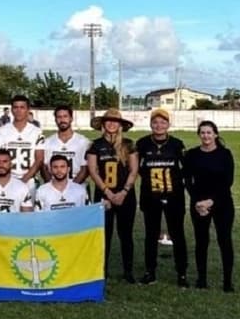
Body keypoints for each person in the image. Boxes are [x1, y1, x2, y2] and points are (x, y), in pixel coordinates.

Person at [136, 109, 188, 287]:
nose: (159, 125)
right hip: (151, 196)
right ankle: (150, 272)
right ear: (151, 124)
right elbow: (137, 168)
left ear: (168, 124)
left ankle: (182, 274)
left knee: (177, 234)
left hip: (174, 196)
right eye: (156, 122)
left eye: (163, 122)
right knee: (151, 235)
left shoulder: (176, 144)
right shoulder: (142, 143)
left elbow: (186, 169)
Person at [87, 109, 138, 284]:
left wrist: (123, 192)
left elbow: (134, 171)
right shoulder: (95, 145)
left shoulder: (128, 144)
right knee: (104, 235)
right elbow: (93, 171)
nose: (111, 124)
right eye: (108, 121)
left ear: (120, 125)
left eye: (115, 121)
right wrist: (108, 192)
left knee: (126, 234)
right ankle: (102, 270)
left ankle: (128, 271)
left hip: (125, 196)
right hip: (104, 196)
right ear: (103, 124)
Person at [184, 120, 235, 292]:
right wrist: (198, 201)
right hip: (198, 204)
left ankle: (227, 281)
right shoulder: (192, 154)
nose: (206, 136)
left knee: (224, 240)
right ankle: (201, 279)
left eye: (209, 132)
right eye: (203, 132)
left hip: (222, 203)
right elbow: (187, 180)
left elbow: (228, 181)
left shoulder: (225, 154)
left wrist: (211, 201)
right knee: (201, 241)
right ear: (199, 135)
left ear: (215, 134)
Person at [0, 95, 44, 198]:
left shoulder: (36, 132)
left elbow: (39, 159)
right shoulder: (2, 131)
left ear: (28, 110)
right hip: (7, 180)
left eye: (22, 107)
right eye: (16, 107)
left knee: (28, 213)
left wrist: (24, 179)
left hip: (29, 181)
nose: (18, 110)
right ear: (12, 110)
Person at [42, 105, 90, 184]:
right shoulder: (48, 142)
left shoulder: (83, 142)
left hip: (78, 185)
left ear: (71, 118)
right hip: (54, 186)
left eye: (65, 116)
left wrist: (72, 188)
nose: (62, 120)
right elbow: (44, 168)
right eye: (59, 117)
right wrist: (52, 186)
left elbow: (85, 169)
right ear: (55, 119)